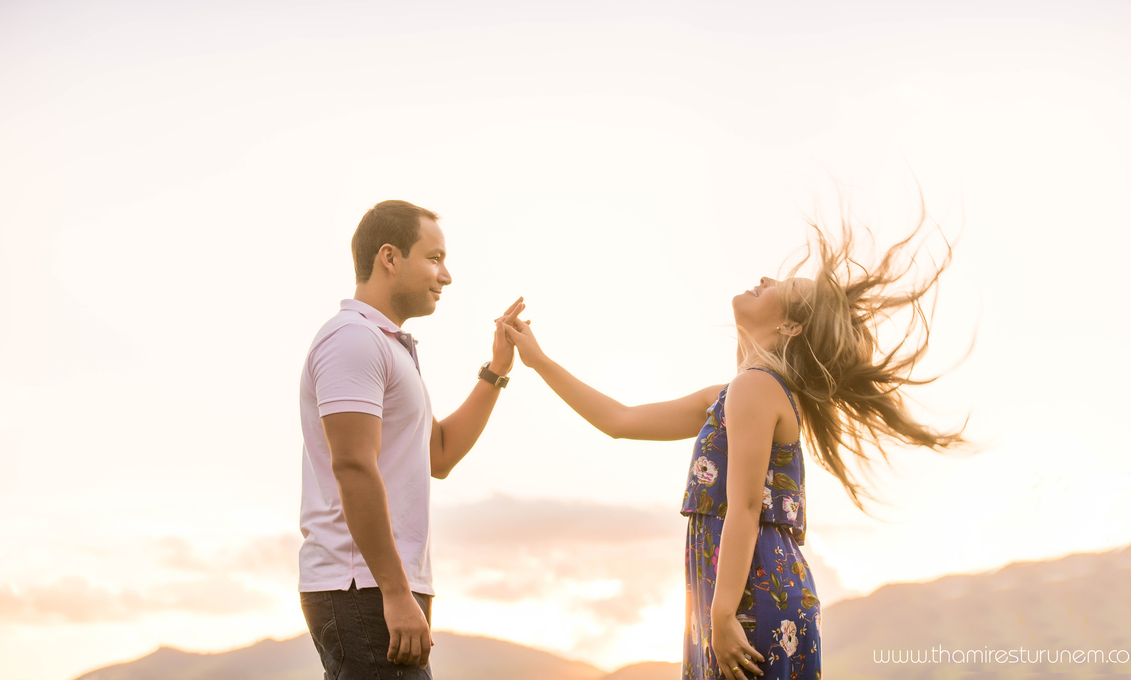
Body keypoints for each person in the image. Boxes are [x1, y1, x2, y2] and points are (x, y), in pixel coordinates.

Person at [501, 214, 966, 680]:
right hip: (744, 593)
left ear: (790, 327)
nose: (767, 278)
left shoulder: (755, 388)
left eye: (785, 286)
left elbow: (743, 507)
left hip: (748, 598)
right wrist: (538, 361)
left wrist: (722, 616)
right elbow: (619, 421)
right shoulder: (737, 393)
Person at [298, 200, 523, 679]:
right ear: (390, 257)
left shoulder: (388, 345)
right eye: (435, 258)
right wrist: (396, 593)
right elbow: (353, 466)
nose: (446, 276)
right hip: (362, 586)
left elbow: (439, 454)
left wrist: (497, 370)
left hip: (381, 585)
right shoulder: (352, 340)